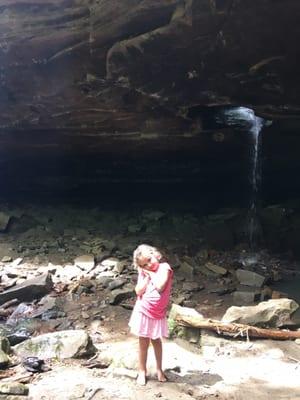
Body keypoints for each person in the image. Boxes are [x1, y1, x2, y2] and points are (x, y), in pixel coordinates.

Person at [129, 244, 173, 386]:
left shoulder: (164, 268)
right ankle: (142, 371)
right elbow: (138, 291)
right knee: (143, 342)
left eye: (149, 260)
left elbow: (161, 286)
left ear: (156, 255)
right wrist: (145, 277)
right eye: (144, 265)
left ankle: (159, 369)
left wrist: (150, 274)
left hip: (158, 312)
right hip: (143, 309)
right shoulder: (144, 273)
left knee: (156, 341)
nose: (148, 265)